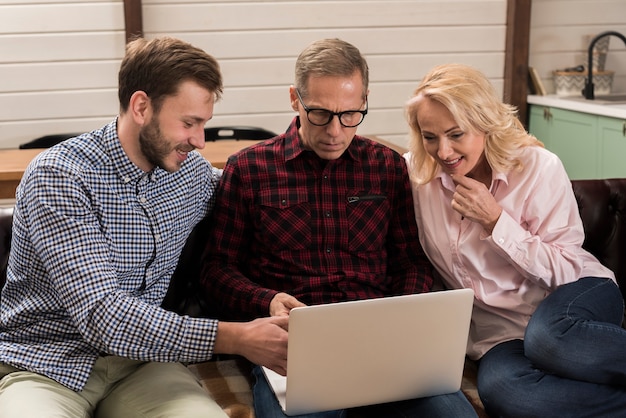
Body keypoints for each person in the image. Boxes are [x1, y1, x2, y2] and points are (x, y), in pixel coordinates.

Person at [0, 36, 289, 418]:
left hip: (143, 366)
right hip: (46, 364)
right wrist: (237, 337)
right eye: (189, 123)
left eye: (204, 124)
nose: (200, 141)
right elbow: (103, 314)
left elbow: (258, 201)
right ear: (140, 106)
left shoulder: (191, 175)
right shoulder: (59, 177)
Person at [200, 38, 477, 418]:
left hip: (380, 340)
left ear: (364, 100)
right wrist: (265, 300)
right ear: (295, 99)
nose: (335, 130)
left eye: (350, 114)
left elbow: (411, 262)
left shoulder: (386, 166)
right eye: (320, 113)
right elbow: (215, 271)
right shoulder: (249, 170)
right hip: (292, 346)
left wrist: (402, 318)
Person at [404, 63, 626, 417]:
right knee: (505, 392)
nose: (443, 151)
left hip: (572, 296)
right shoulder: (418, 178)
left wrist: (496, 222)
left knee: (547, 340)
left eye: (456, 134)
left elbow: (567, 268)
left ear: (485, 123)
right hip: (499, 333)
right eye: (430, 137)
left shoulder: (539, 167)